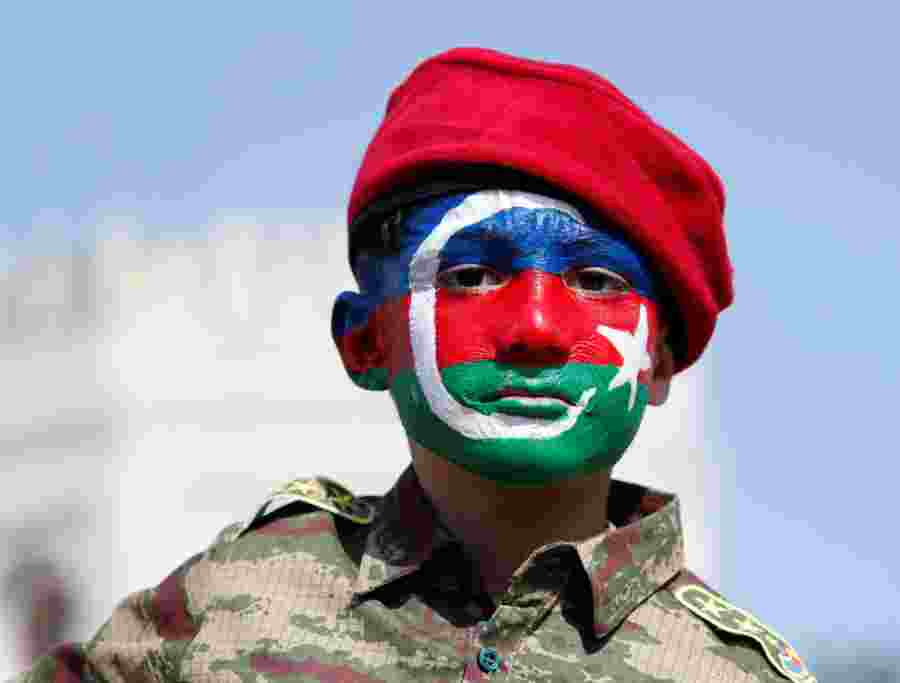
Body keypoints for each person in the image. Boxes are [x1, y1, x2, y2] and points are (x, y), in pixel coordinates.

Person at [9, 48, 816, 682]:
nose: (536, 327)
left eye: (596, 281)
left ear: (660, 359)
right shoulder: (234, 610)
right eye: (471, 274)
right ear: (366, 341)